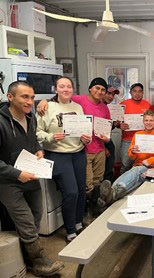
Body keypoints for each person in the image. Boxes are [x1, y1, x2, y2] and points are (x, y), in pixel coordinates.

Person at [0, 81, 64, 276]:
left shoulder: (31, 117)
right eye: (24, 97)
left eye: (32, 97)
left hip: (32, 175)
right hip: (8, 182)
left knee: (36, 216)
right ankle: (39, 261)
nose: (30, 101)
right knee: (26, 221)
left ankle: (26, 258)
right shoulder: (1, 122)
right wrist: (17, 174)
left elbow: (34, 138)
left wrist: (38, 149)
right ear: (10, 97)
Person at [36, 77, 90, 242]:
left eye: (69, 86)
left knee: (81, 190)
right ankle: (71, 230)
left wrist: (85, 139)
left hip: (78, 153)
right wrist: (51, 136)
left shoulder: (78, 107)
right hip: (58, 155)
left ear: (73, 89)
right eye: (62, 86)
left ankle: (79, 222)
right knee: (71, 192)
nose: (66, 89)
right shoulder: (47, 108)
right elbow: (37, 132)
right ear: (56, 89)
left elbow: (82, 130)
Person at [37, 77, 111, 193]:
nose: (100, 91)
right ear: (90, 89)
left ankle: (96, 209)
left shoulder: (104, 107)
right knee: (87, 184)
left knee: (97, 182)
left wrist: (106, 142)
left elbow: (107, 129)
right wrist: (44, 101)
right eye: (97, 88)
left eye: (103, 90)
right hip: (84, 150)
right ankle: (87, 210)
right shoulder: (78, 100)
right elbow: (61, 98)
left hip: (98, 149)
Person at [98, 110, 154, 206]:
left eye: (151, 120)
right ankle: (111, 196)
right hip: (139, 166)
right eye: (146, 120)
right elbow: (131, 156)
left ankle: (111, 192)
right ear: (143, 121)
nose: (148, 123)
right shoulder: (138, 135)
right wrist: (133, 152)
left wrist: (149, 161)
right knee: (136, 179)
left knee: (136, 171)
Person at [119, 83, 150, 173]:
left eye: (140, 91)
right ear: (130, 92)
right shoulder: (123, 104)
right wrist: (120, 125)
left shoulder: (147, 105)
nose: (137, 94)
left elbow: (151, 120)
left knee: (141, 164)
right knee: (126, 164)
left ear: (143, 93)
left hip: (143, 139)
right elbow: (116, 121)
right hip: (127, 140)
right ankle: (120, 185)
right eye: (135, 91)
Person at [103, 85, 120, 182]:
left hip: (108, 141)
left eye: (113, 95)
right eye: (109, 93)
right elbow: (95, 131)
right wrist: (103, 147)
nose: (111, 97)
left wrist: (114, 124)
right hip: (101, 144)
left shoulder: (106, 107)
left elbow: (105, 127)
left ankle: (108, 188)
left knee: (108, 170)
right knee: (104, 172)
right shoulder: (98, 107)